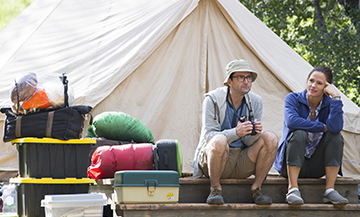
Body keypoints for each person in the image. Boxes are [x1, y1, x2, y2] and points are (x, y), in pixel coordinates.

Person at [193, 59, 278, 205]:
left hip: (242, 159)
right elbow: (209, 137)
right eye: (241, 77)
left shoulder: (256, 101)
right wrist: (235, 132)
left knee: (270, 138)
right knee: (219, 140)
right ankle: (215, 189)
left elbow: (247, 142)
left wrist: (253, 134)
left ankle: (256, 188)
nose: (246, 81)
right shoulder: (212, 99)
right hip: (217, 160)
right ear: (229, 81)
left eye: (249, 77)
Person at [273, 66, 348, 205]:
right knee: (299, 133)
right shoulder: (293, 98)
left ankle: (330, 190)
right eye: (311, 81)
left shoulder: (330, 104)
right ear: (307, 80)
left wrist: (336, 97)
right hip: (289, 164)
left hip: (316, 166)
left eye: (319, 83)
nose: (313, 85)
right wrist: (322, 127)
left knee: (336, 137)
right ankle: (293, 189)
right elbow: (292, 122)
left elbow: (336, 128)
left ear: (326, 87)